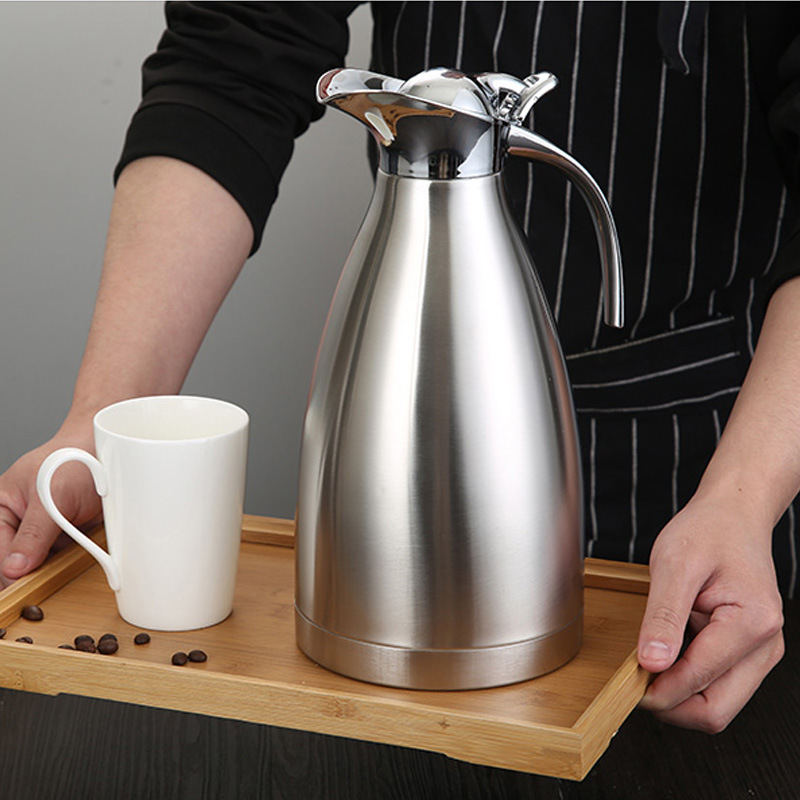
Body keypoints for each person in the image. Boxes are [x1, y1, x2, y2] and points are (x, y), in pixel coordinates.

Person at [0, 2, 797, 734]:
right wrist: (106, 423)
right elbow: (233, 60)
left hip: (722, 471)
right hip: (394, 477)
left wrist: (745, 498)